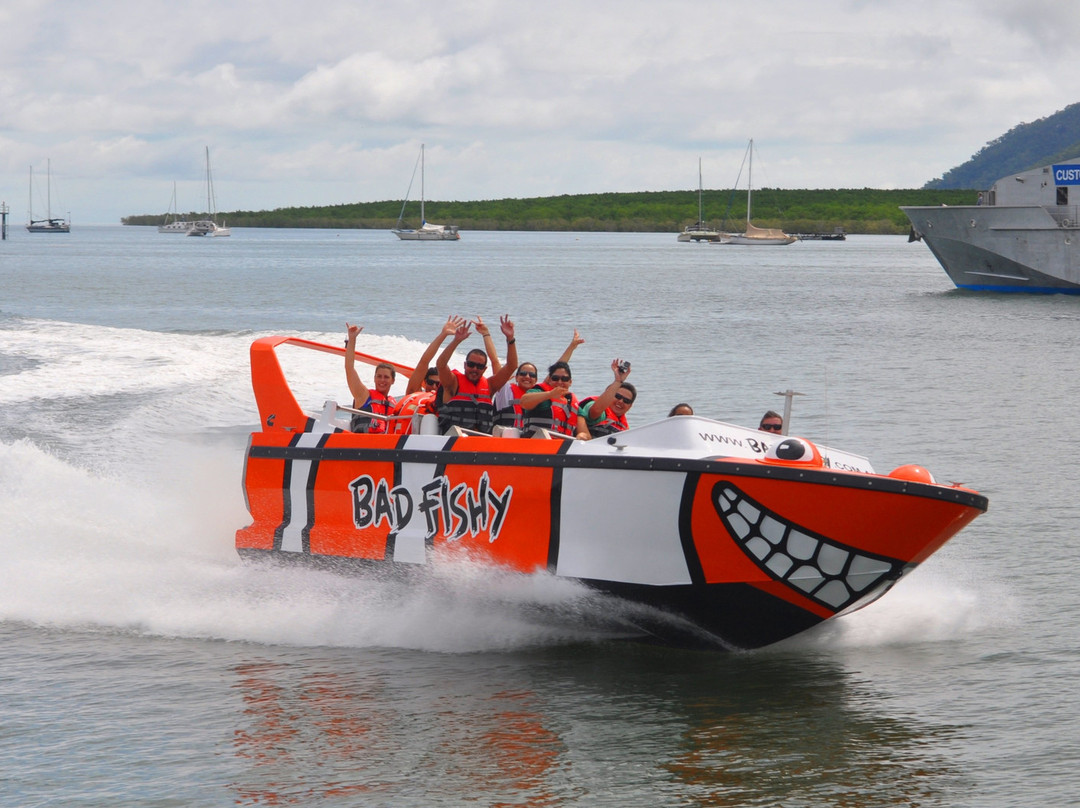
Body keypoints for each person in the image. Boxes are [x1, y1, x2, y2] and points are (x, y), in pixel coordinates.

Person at [435, 316, 518, 434]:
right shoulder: (452, 383)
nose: (474, 369)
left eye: (479, 367)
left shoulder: (490, 385)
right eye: (471, 364)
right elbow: (441, 365)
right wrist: (456, 341)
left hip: (482, 441)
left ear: (484, 369)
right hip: (454, 439)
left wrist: (510, 338)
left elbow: (512, 366)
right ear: (464, 365)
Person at [493, 329, 586, 430]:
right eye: (523, 373)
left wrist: (572, 347)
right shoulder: (506, 390)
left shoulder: (540, 394)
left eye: (532, 375)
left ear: (536, 380)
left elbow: (557, 372)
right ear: (516, 377)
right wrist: (488, 334)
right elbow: (495, 362)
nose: (527, 377)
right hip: (507, 436)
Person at [388, 316, 466, 434]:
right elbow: (424, 362)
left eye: (438, 384)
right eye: (431, 382)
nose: (434, 387)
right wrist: (443, 335)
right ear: (424, 382)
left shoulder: (445, 400)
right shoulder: (414, 392)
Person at [345, 322, 397, 434]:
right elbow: (349, 368)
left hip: (386, 446)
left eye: (386, 377)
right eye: (379, 376)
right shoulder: (363, 395)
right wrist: (352, 339)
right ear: (374, 378)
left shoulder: (394, 405)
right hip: (363, 445)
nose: (382, 380)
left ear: (393, 381)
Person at [576, 359, 635, 439]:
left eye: (626, 401)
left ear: (630, 406)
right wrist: (618, 381)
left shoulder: (625, 427)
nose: (621, 401)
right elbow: (596, 410)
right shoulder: (600, 412)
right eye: (617, 396)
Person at [520, 361, 580, 437]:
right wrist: (550, 394)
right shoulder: (539, 393)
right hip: (537, 443)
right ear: (549, 380)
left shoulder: (574, 404)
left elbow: (583, 431)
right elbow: (524, 401)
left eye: (564, 379)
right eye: (555, 378)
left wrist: (582, 435)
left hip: (562, 446)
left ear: (570, 382)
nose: (559, 382)